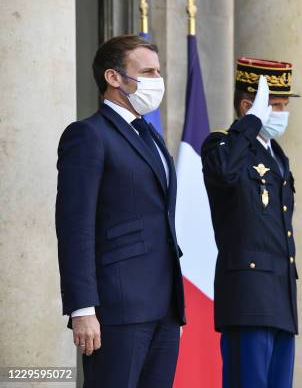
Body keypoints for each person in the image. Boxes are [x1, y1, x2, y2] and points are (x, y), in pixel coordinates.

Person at [55, 35, 185, 387]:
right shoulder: (88, 135)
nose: (156, 80)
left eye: (158, 71)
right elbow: (75, 226)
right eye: (147, 71)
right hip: (117, 307)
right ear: (113, 78)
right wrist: (82, 308)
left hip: (164, 307)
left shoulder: (150, 135)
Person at [201, 57, 299, 387]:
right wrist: (251, 122)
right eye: (275, 105)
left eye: (285, 105)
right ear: (248, 106)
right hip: (248, 296)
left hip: (280, 297)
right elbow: (224, 172)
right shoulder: (223, 145)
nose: (282, 113)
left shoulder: (277, 156)